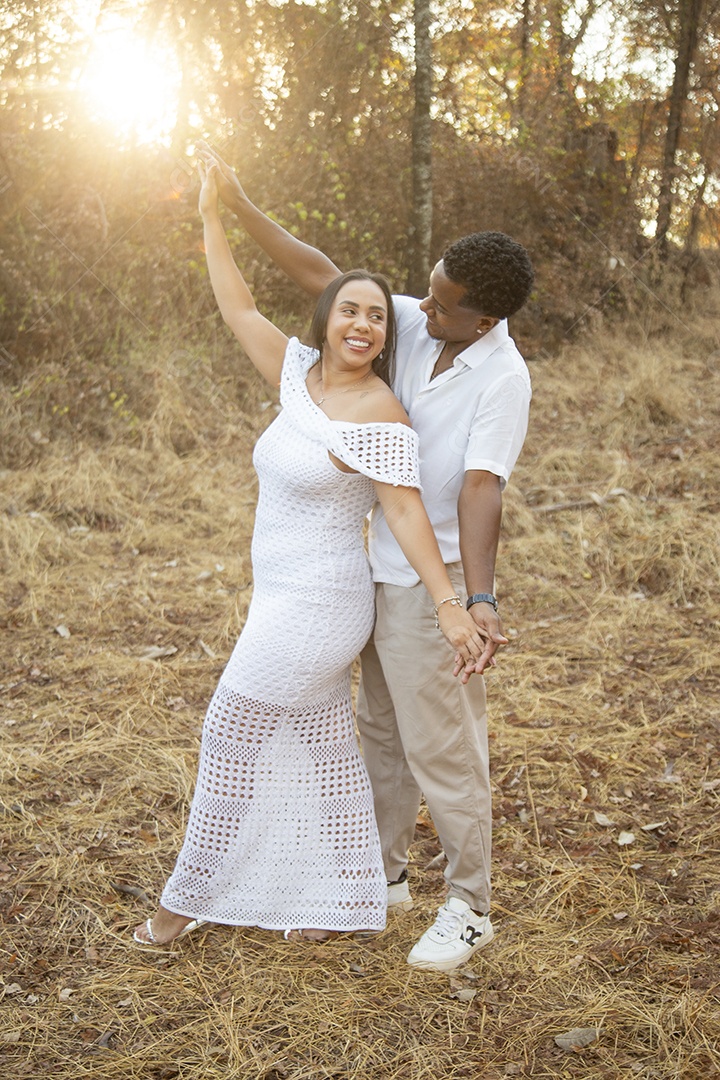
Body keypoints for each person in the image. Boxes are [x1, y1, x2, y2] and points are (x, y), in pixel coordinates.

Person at [133, 158, 490, 946]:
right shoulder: (296, 379)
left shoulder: (380, 414)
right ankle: (341, 898)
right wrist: (211, 216)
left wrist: (450, 604)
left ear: (382, 338)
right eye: (350, 311)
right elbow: (237, 304)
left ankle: (186, 897)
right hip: (279, 596)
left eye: (377, 320)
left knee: (232, 729)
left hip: (323, 603)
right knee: (325, 743)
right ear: (327, 317)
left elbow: (403, 513)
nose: (363, 325)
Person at [197, 143, 534, 971]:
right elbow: (324, 277)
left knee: (442, 747)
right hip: (372, 568)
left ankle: (470, 904)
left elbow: (481, 487)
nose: (423, 306)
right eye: (429, 287)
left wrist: (474, 599)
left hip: (434, 580)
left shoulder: (503, 378)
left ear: (482, 319)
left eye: (445, 302)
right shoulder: (420, 320)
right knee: (380, 735)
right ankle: (376, 880)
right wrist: (236, 206)